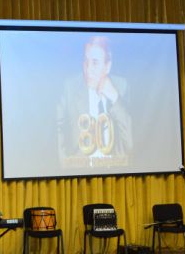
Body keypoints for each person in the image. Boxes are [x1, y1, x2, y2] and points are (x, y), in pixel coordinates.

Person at [57, 36, 133, 165]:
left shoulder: (121, 86)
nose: (88, 70)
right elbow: (59, 131)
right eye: (86, 62)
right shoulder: (70, 88)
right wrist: (66, 167)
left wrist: (115, 97)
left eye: (95, 63)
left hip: (116, 170)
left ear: (107, 66)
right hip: (81, 172)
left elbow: (131, 144)